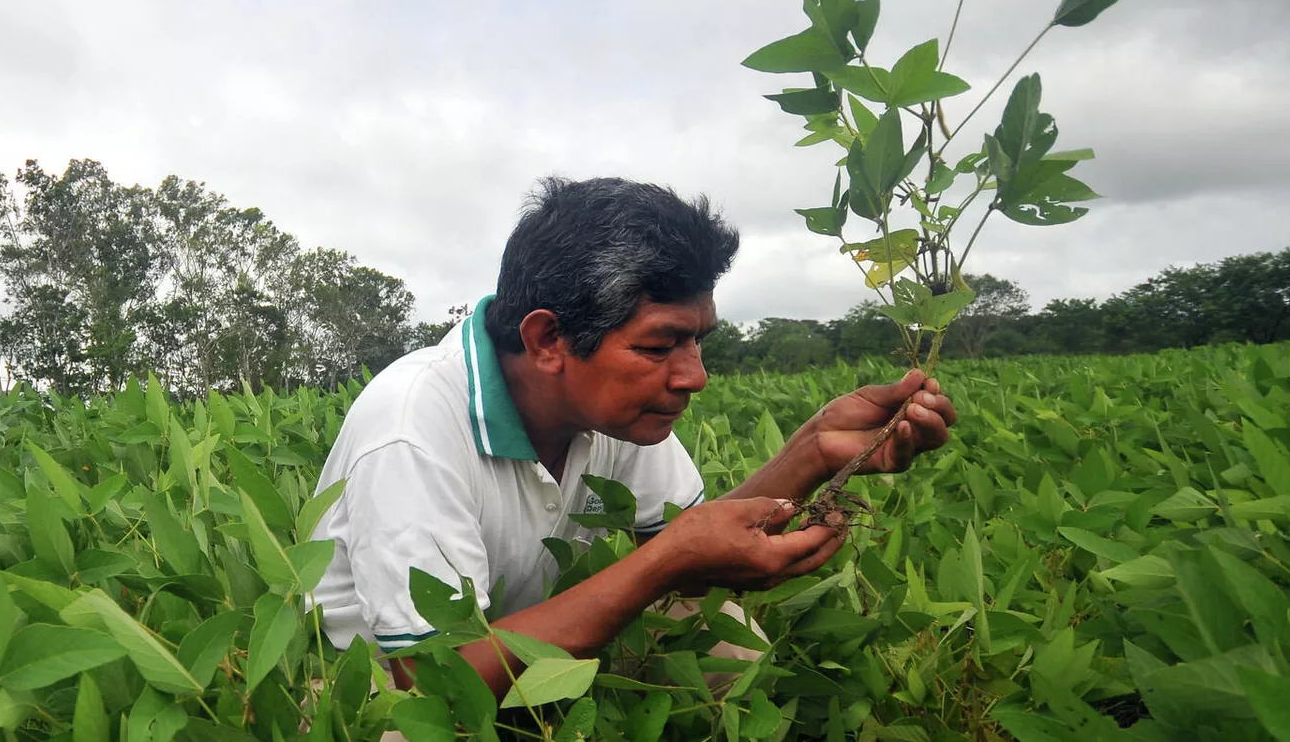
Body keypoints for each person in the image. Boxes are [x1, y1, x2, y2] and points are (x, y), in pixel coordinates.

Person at [305, 176, 957, 699]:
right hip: (386, 692)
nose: (694, 376)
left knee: (723, 640)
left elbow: (695, 541)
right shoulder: (411, 426)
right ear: (548, 340)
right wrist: (664, 561)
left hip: (533, 653)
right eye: (658, 344)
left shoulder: (608, 408)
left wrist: (814, 447)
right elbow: (437, 681)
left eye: (698, 338)